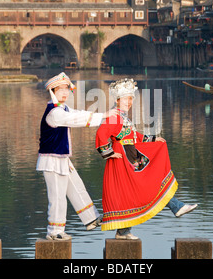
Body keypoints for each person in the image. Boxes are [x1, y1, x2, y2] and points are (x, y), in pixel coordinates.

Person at [95, 78, 197, 239]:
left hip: (131, 156)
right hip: (122, 159)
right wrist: (108, 152)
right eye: (127, 99)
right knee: (138, 189)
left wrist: (153, 138)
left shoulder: (123, 116)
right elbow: (101, 133)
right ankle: (175, 207)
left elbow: (134, 136)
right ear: (118, 100)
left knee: (136, 190)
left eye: (131, 98)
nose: (129, 102)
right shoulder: (114, 116)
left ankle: (124, 231)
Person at [37, 72, 118, 240]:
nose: (65, 93)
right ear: (53, 91)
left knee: (77, 186)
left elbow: (78, 113)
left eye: (67, 89)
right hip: (51, 160)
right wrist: (103, 116)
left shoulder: (63, 108)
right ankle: (54, 231)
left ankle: (91, 219)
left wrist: (103, 115)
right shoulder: (54, 113)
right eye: (61, 90)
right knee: (58, 196)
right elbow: (75, 119)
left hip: (62, 158)